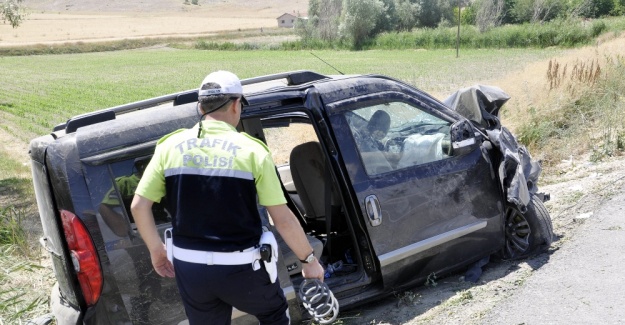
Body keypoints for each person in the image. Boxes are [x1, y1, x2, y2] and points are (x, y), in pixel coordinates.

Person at [131, 70, 324, 324]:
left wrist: (157, 250)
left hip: (190, 269)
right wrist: (309, 261)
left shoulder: (169, 146)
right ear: (235, 105)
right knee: (274, 313)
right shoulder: (253, 151)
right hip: (243, 268)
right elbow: (283, 219)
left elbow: (138, 206)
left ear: (201, 107)